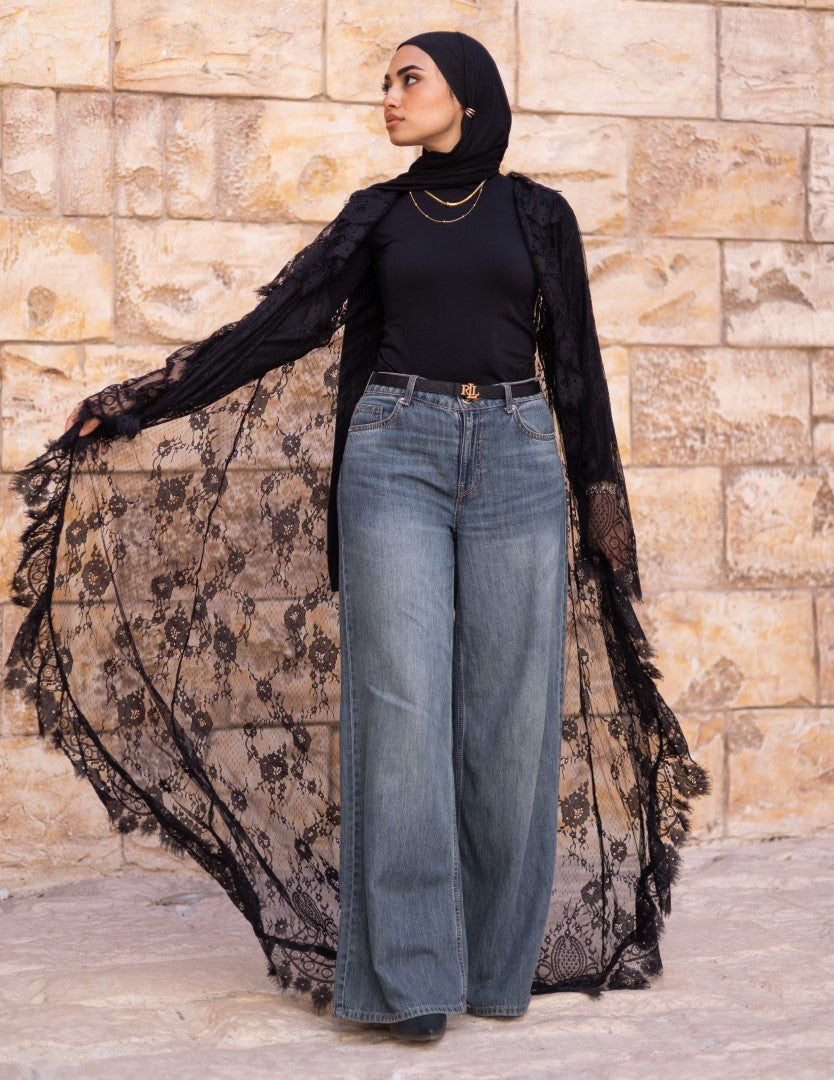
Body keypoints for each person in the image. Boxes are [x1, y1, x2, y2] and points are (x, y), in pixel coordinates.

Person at [8, 30, 711, 1047]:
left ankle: (493, 967)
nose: (387, 97)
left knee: (512, 721)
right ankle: (412, 978)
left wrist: (604, 509)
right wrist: (136, 402)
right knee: (401, 711)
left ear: (465, 94)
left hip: (516, 455)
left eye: (407, 79)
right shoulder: (377, 216)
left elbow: (579, 370)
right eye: (385, 82)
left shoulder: (536, 214)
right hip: (396, 454)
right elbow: (277, 327)